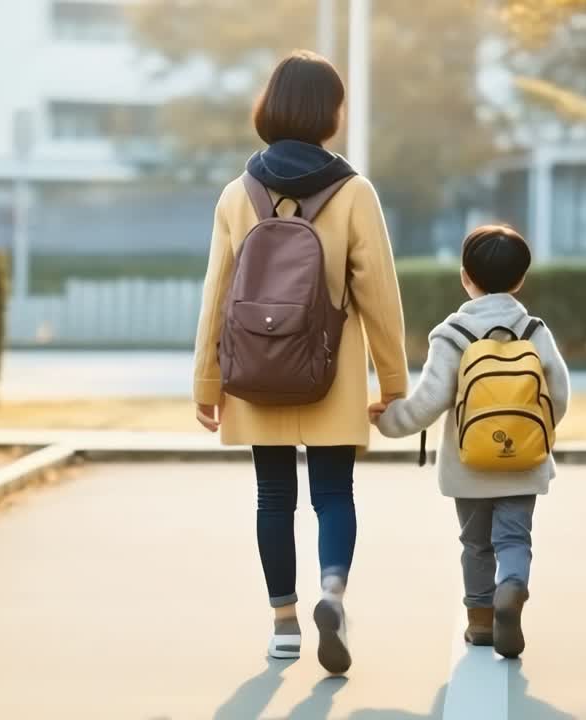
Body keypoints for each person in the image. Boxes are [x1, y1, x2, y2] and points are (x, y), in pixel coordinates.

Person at [192, 50, 407, 675]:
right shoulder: (354, 191)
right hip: (330, 370)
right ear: (330, 114)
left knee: (272, 497)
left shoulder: (238, 193)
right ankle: (333, 595)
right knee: (334, 494)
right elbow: (379, 295)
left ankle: (284, 625)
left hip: (256, 371)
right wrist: (393, 382)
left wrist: (207, 379)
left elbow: (216, 295)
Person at [370, 224, 570, 659]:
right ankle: (512, 587)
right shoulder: (535, 329)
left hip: (470, 465)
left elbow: (428, 402)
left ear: (465, 276)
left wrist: (388, 420)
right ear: (520, 279)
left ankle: (480, 624)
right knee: (515, 539)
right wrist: (536, 435)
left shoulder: (453, 334)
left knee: (475, 544)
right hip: (523, 462)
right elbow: (559, 393)